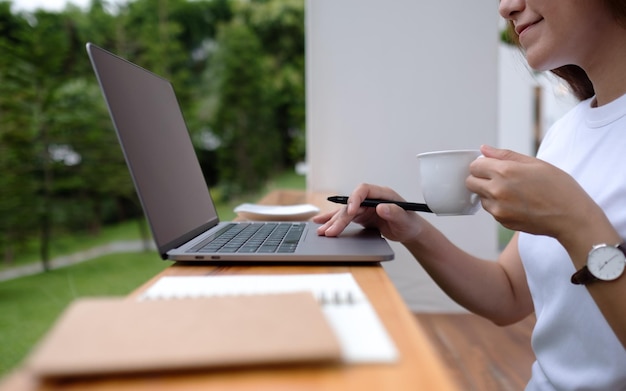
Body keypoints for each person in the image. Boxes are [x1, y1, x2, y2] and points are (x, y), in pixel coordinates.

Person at [314, 0, 626, 389]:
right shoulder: (567, 133)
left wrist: (574, 220)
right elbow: (508, 294)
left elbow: (574, 227)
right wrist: (409, 228)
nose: (507, 7)